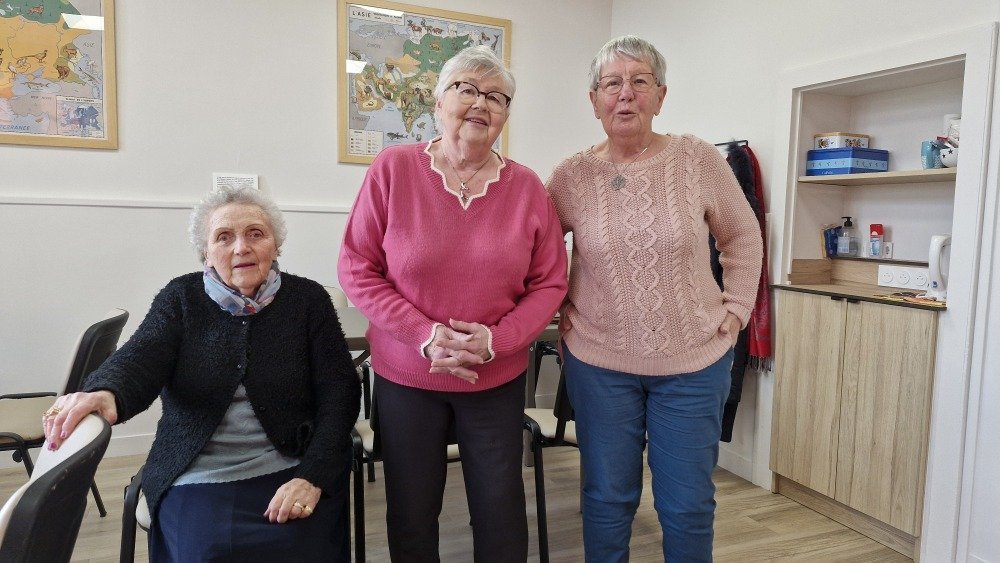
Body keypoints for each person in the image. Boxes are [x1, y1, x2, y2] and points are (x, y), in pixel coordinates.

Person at [42, 185, 361, 562]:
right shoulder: (181, 298)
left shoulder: (308, 300)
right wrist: (106, 390)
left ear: (275, 245)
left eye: (255, 234)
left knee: (302, 546)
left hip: (293, 463)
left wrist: (312, 476)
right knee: (208, 551)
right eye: (224, 237)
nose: (241, 247)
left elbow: (340, 391)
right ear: (206, 254)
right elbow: (142, 356)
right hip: (199, 469)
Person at [338, 45, 567, 562]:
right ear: (438, 101)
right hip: (407, 378)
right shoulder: (393, 168)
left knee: (500, 512)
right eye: (467, 89)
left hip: (495, 379)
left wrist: (495, 340)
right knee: (412, 513)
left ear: (505, 114)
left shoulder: (528, 187)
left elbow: (550, 283)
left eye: (497, 97)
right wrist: (425, 334)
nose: (481, 103)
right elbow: (356, 267)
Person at [545, 35, 763, 562]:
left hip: (693, 364)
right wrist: (553, 308)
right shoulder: (572, 175)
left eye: (639, 81)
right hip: (599, 363)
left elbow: (742, 234)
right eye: (611, 83)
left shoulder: (696, 159)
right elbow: (535, 250)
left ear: (660, 95)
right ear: (594, 100)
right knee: (606, 498)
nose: (625, 94)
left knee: (687, 506)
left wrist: (737, 308)